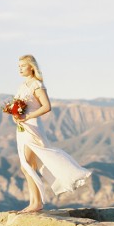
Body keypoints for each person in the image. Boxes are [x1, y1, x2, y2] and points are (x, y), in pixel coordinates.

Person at [11, 54, 92, 213]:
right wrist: (16, 116)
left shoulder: (37, 85)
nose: (19, 69)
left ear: (31, 67)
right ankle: (35, 201)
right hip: (22, 127)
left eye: (22, 66)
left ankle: (36, 203)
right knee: (27, 166)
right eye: (18, 66)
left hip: (32, 127)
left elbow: (46, 107)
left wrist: (27, 116)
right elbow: (19, 106)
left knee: (27, 165)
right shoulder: (23, 85)